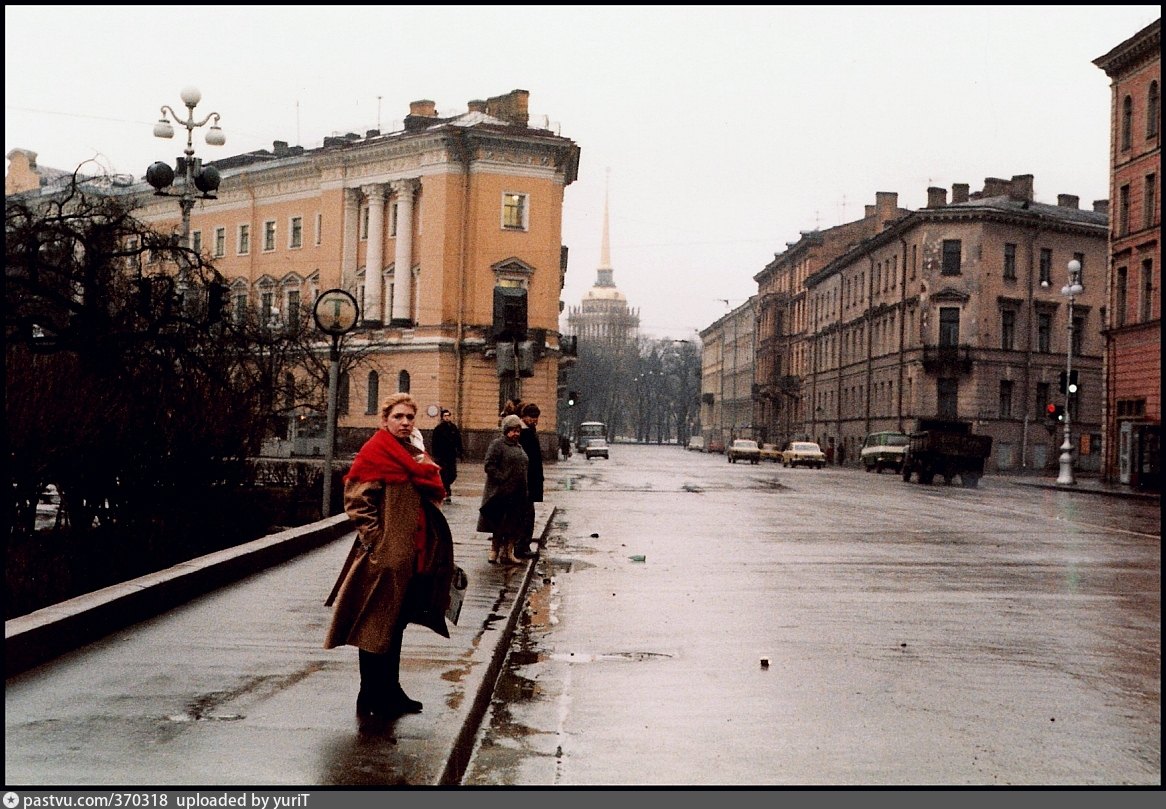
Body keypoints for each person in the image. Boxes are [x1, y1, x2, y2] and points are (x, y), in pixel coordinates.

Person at [323, 393, 456, 721]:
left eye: (410, 417)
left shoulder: (412, 453)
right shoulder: (376, 451)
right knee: (375, 626)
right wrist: (377, 543)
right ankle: (370, 693)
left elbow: (432, 488)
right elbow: (356, 501)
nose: (405, 422)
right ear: (385, 420)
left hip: (415, 555)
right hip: (385, 558)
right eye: (398, 417)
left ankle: (391, 690)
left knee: (395, 625)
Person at [477, 414, 529, 565]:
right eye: (513, 430)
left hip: (517, 493)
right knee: (498, 524)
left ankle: (508, 552)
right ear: (506, 430)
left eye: (518, 431)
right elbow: (489, 465)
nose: (516, 434)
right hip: (501, 492)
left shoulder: (519, 447)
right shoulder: (497, 444)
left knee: (514, 524)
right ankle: (494, 551)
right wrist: (502, 478)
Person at [516, 402, 544, 558]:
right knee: (526, 515)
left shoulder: (529, 431)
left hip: (530, 480)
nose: (535, 420)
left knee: (527, 513)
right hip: (525, 481)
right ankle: (522, 546)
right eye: (532, 417)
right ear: (524, 417)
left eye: (537, 417)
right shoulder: (524, 433)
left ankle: (522, 545)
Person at [429, 408, 464, 503]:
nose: (447, 417)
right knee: (444, 474)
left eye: (448, 416)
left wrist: (460, 453)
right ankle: (447, 492)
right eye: (445, 416)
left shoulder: (453, 428)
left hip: (451, 456)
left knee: (453, 474)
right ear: (442, 417)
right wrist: (435, 455)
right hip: (442, 456)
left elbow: (458, 441)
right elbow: (434, 443)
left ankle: (446, 488)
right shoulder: (438, 429)